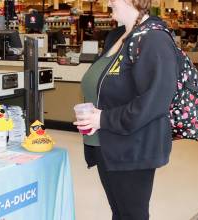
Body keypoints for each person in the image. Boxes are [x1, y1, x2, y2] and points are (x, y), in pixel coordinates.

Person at [73, 0, 177, 219]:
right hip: (106, 144)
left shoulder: (154, 39)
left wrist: (104, 119)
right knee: (119, 213)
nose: (108, 2)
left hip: (133, 147)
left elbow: (156, 100)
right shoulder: (116, 36)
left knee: (132, 214)